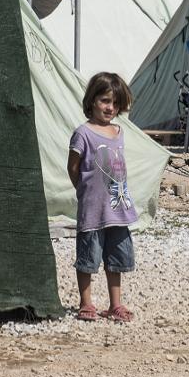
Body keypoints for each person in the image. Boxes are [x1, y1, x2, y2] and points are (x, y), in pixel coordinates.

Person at [67, 72, 139, 322]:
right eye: (105, 101)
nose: (110, 108)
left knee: (116, 258)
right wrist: (84, 190)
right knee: (88, 257)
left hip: (117, 208)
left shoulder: (118, 132)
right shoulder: (83, 133)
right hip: (93, 208)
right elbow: (73, 167)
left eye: (115, 103)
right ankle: (86, 303)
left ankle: (115, 304)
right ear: (92, 100)